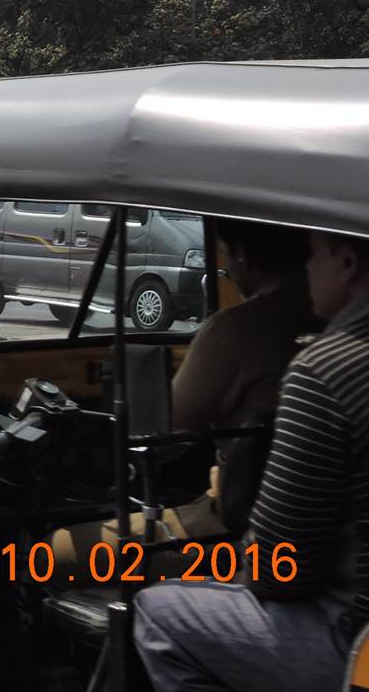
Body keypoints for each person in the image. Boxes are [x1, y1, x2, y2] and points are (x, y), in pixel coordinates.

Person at [133, 230, 369, 692]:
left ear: (346, 262)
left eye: (314, 253)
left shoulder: (325, 369)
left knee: (159, 613)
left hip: (353, 636)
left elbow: (279, 569)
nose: (306, 268)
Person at [49, 221, 317, 575]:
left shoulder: (237, 329)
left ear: (242, 256)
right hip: (311, 525)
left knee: (50, 553)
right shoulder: (337, 319)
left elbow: (165, 438)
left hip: (236, 524)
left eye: (226, 259)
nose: (227, 270)